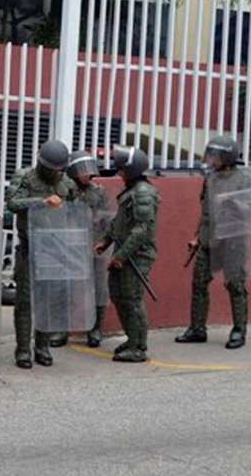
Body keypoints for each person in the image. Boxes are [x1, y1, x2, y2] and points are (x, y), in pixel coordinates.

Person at [176, 136, 251, 349]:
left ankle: (239, 330)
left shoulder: (244, 180)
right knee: (198, 283)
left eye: (215, 156)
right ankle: (197, 328)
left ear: (227, 157)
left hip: (233, 241)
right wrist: (196, 236)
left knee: (235, 285)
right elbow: (206, 212)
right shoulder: (210, 179)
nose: (211, 159)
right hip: (209, 240)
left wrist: (235, 202)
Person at [5, 140, 75, 368]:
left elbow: (75, 209)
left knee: (48, 300)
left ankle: (42, 346)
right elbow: (12, 203)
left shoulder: (66, 182)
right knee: (25, 301)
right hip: (29, 245)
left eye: (60, 169)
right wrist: (41, 202)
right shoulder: (24, 177)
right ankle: (23, 350)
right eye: (53, 168)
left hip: (54, 247)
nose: (57, 172)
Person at [95, 146, 159, 363]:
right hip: (124, 252)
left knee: (132, 300)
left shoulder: (143, 193)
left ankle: (138, 346)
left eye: (122, 169)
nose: (119, 172)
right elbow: (119, 223)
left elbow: (141, 230)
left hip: (136, 256)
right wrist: (105, 242)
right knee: (118, 295)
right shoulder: (131, 190)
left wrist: (120, 256)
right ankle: (132, 339)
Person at [66, 150, 110, 348]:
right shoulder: (65, 190)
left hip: (92, 245)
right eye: (82, 171)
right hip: (68, 245)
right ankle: (62, 329)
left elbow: (105, 219)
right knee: (65, 287)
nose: (87, 175)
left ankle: (95, 329)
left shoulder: (98, 191)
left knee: (98, 288)